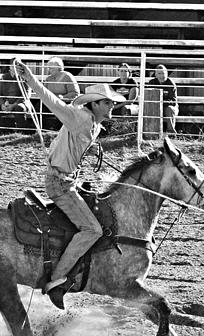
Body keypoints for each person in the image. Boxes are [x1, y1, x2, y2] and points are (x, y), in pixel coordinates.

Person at [13, 58, 124, 309]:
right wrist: (31, 79)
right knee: (92, 229)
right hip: (60, 183)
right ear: (95, 104)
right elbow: (54, 103)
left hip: (67, 179)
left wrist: (92, 147)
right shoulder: (80, 118)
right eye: (107, 102)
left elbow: (74, 140)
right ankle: (55, 279)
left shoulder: (94, 124)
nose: (112, 106)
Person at [0, 62, 31, 130]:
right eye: (12, 67)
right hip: (6, 102)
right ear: (9, 68)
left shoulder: (24, 77)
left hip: (20, 102)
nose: (14, 68)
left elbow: (26, 95)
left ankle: (21, 132)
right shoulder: (5, 77)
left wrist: (13, 105)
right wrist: (2, 104)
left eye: (16, 67)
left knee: (19, 108)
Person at [146, 64, 178, 133]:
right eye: (159, 73)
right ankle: (151, 132)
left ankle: (171, 132)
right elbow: (148, 97)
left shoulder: (170, 84)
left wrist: (161, 102)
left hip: (167, 107)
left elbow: (173, 101)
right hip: (155, 106)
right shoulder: (151, 83)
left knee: (170, 109)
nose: (161, 75)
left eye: (163, 73)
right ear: (155, 75)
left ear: (166, 74)